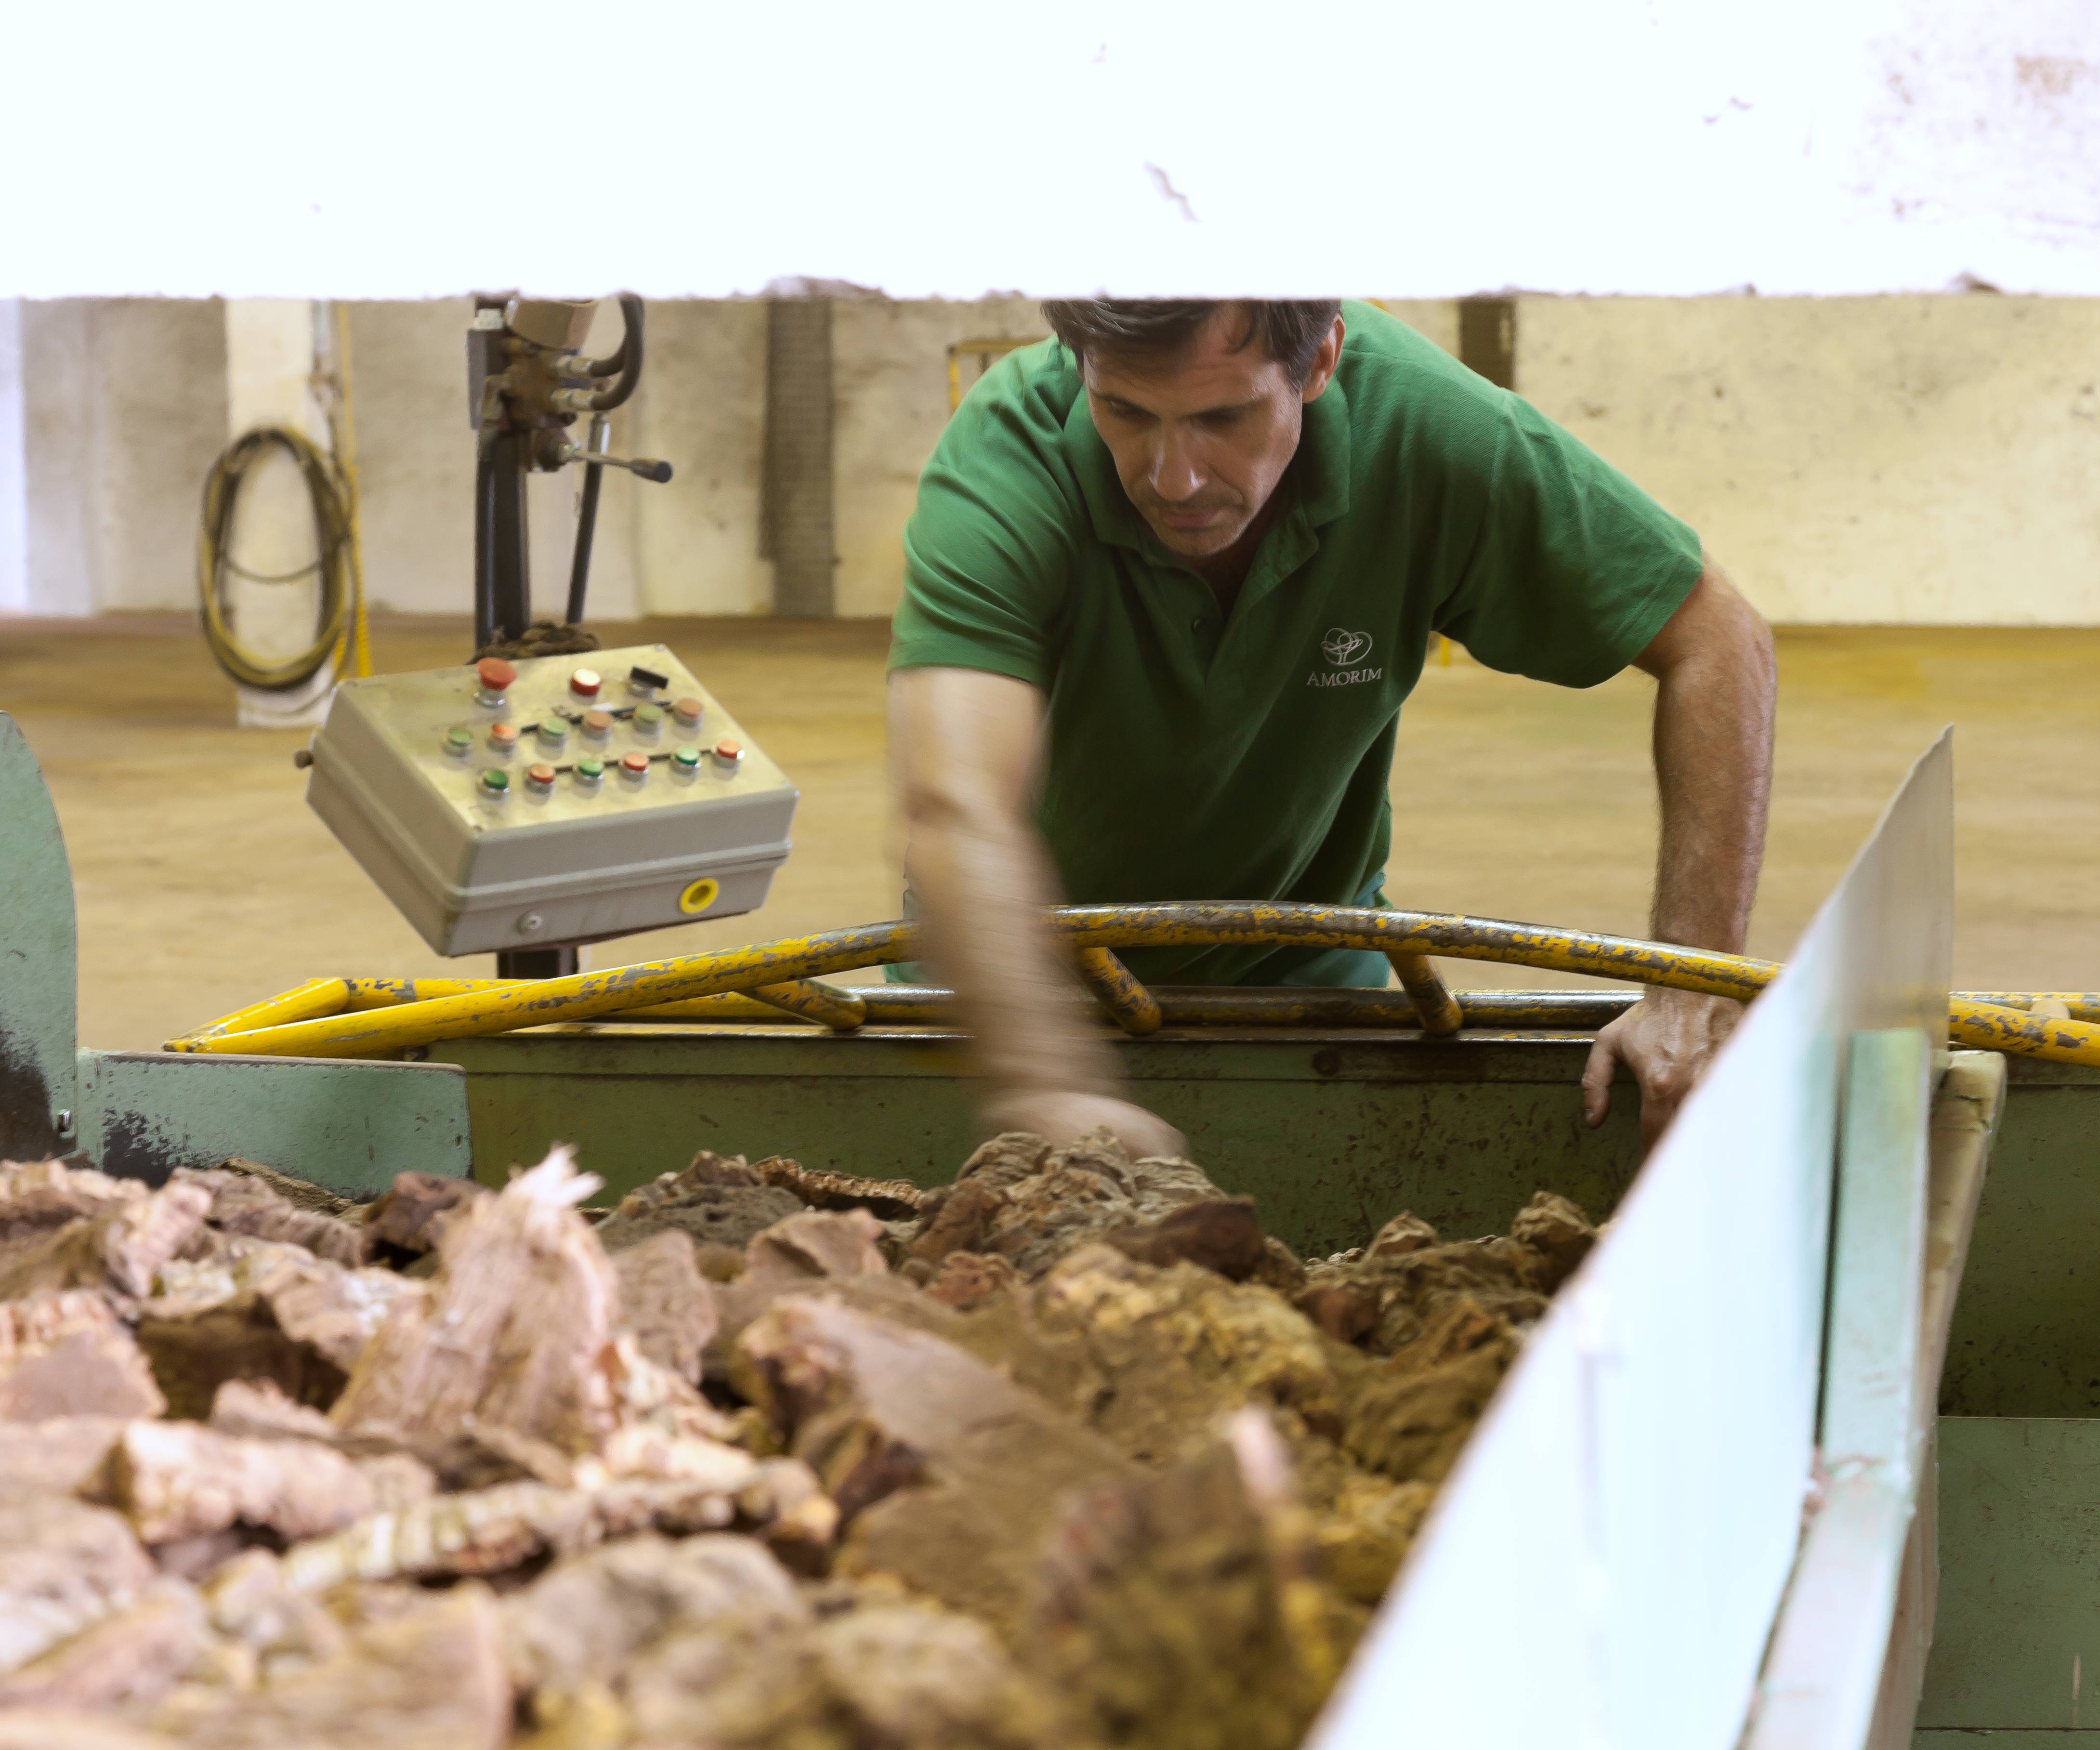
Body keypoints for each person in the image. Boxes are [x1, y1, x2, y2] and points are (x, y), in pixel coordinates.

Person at [886, 298, 1775, 1156]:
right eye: (1124, 410)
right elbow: (954, 804)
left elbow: (1716, 638)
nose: (1174, 476)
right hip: (1005, 987)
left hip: (1297, 1000)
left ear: (1319, 362)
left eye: (1223, 416)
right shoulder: (1013, 451)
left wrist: (1688, 986)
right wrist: (1040, 1080)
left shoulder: (1426, 429)